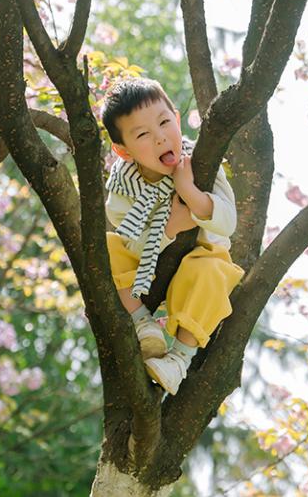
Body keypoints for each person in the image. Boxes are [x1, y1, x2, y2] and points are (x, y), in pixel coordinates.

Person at [101, 76, 244, 395]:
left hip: (200, 257)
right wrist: (170, 227)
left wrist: (189, 192)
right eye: (143, 134)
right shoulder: (124, 189)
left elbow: (227, 221)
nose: (161, 138)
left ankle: (179, 358)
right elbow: (129, 242)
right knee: (105, 249)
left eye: (165, 123)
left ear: (177, 119)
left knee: (212, 272)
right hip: (145, 269)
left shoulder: (199, 161)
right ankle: (142, 323)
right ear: (123, 151)